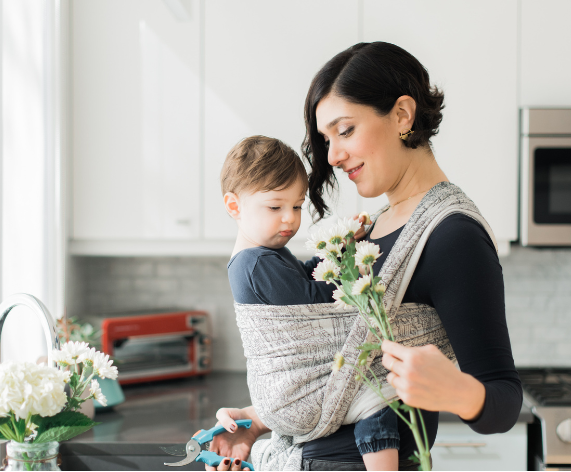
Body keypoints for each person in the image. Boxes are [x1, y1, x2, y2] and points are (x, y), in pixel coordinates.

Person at [204, 42, 523, 471]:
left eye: (345, 130)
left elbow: (503, 400)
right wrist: (259, 420)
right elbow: (341, 368)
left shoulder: (452, 236)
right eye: (326, 139)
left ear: (402, 116)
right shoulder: (368, 231)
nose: (332, 155)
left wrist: (456, 390)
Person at [219, 135, 400, 471]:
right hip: (299, 394)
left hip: (291, 400)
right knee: (376, 399)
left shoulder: (268, 254)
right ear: (234, 206)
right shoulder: (255, 262)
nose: (290, 218)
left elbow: (305, 278)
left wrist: (339, 248)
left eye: (297, 206)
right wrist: (355, 273)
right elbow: (315, 304)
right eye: (276, 207)